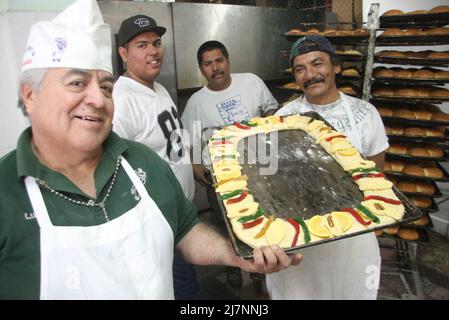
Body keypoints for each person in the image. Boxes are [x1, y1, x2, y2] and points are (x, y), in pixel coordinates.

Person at [0, 0, 301, 300]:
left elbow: (184, 230)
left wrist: (238, 254)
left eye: (105, 87)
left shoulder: (141, 157)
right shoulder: (7, 193)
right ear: (30, 95)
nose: (98, 98)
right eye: (77, 83)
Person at [267, 35, 389, 299]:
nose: (310, 74)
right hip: (302, 234)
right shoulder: (282, 119)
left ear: (336, 66)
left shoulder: (365, 114)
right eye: (300, 69)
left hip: (354, 232)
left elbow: (376, 178)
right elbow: (272, 182)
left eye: (317, 64)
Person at [112, 14, 198, 300]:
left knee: (185, 280)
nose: (153, 51)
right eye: (141, 45)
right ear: (123, 53)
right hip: (159, 222)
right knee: (179, 288)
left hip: (180, 213)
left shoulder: (158, 88)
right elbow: (116, 168)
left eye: (157, 43)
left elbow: (170, 143)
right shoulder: (122, 100)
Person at [181, 40, 279, 288]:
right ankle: (232, 266)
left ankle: (260, 271)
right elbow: (189, 139)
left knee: (259, 220)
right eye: (208, 64)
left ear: (228, 61)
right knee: (224, 222)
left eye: (219, 61)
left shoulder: (251, 82)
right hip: (219, 176)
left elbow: (272, 113)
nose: (215, 68)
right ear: (201, 69)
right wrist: (194, 165)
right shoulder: (196, 102)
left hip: (256, 170)